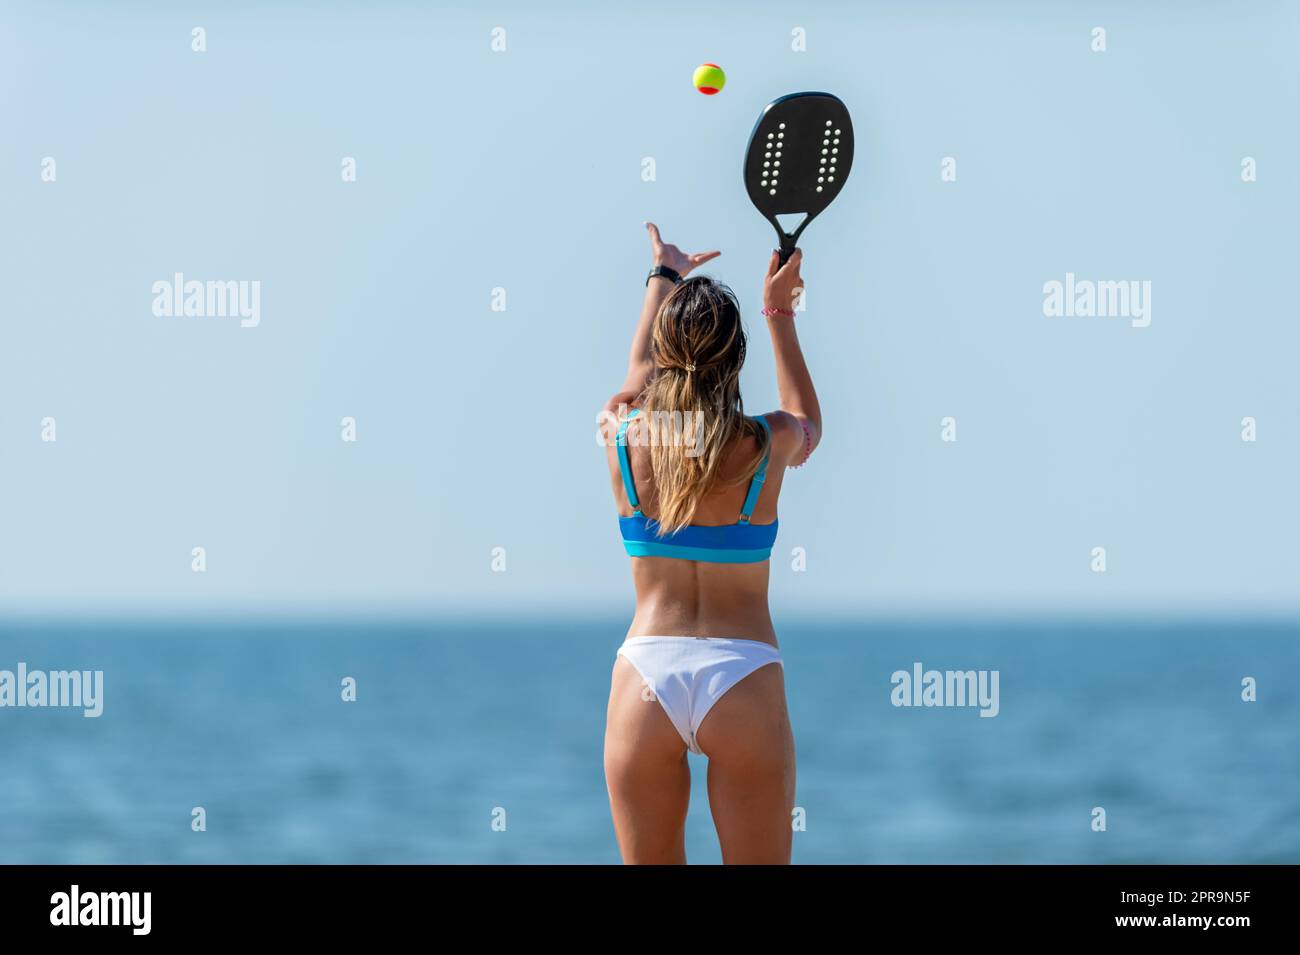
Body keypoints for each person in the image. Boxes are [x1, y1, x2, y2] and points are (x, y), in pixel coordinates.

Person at [598, 222, 822, 864]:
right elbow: (810, 422)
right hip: (742, 674)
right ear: (738, 357)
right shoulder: (767, 442)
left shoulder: (619, 434)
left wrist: (662, 279)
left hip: (646, 678)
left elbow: (638, 381)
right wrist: (780, 312)